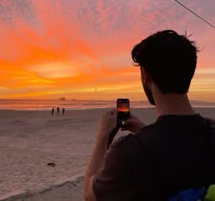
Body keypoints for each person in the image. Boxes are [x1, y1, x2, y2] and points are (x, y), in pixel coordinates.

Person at [84, 30, 215, 201]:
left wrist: (102, 137)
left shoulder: (128, 152)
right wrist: (145, 131)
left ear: (146, 75)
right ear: (190, 73)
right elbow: (180, 149)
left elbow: (89, 194)